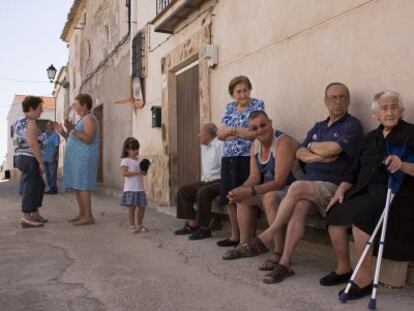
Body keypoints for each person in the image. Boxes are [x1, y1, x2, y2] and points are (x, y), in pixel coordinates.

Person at [246, 82, 363, 284]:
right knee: (299, 206)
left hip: (333, 187)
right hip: (310, 187)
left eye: (343, 97)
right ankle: (284, 263)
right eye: (333, 97)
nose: (338, 101)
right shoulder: (318, 127)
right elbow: (299, 152)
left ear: (349, 101)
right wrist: (318, 156)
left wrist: (314, 149)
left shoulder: (352, 125)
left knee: (296, 187)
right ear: (326, 101)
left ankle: (269, 235)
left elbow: (334, 149)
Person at [322, 90, 414, 300]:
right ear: (376, 114)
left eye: (393, 107)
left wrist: (403, 165)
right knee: (335, 213)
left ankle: (364, 278)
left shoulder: (410, 134)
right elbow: (354, 168)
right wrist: (342, 188)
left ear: (401, 111)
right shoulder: (369, 138)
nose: (389, 112)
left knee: (361, 216)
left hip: (396, 194)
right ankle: (344, 268)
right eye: (384, 108)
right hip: (363, 190)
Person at [222, 110, 301, 261]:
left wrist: (249, 190)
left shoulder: (283, 142)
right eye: (254, 128)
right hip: (274, 189)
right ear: (251, 131)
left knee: (270, 198)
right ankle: (245, 245)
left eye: (263, 125)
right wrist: (239, 190)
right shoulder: (255, 145)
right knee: (242, 198)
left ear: (270, 123)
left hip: (294, 190)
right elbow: (254, 177)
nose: (260, 130)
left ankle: (279, 252)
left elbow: (280, 181)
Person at [216, 75, 265, 247]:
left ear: (250, 90)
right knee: (231, 197)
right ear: (232, 94)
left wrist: (233, 130)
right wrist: (240, 131)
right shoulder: (229, 107)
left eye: (245, 90)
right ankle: (235, 236)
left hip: (248, 157)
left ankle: (248, 238)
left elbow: (255, 133)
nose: (243, 94)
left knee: (244, 196)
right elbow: (220, 135)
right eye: (238, 91)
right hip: (229, 158)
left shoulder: (258, 105)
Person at [54, 94, 99, 226]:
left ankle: (88, 216)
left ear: (85, 105)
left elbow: (88, 138)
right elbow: (73, 138)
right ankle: (82, 214)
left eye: (76, 105)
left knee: (83, 186)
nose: (74, 107)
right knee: (78, 186)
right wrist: (62, 132)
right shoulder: (82, 119)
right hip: (78, 159)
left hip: (85, 158)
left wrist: (73, 128)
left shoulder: (89, 118)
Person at [174, 123, 224, 240]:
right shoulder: (204, 147)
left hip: (220, 180)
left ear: (209, 133)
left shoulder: (219, 145)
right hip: (207, 181)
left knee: (203, 192)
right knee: (183, 191)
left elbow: (225, 167)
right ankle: (193, 225)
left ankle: (204, 229)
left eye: (201, 132)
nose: (198, 135)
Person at [13, 96, 48, 228]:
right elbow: (33, 144)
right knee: (31, 186)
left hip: (21, 157)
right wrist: (41, 163)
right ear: (32, 108)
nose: (42, 111)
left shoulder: (20, 121)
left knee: (38, 185)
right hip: (29, 157)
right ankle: (27, 217)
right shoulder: (30, 123)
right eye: (40, 108)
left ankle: (35, 213)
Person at [120, 137, 149, 233]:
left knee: (142, 207)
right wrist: (137, 172)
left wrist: (145, 167)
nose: (136, 151)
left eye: (137, 148)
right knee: (131, 208)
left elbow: (144, 173)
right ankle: (132, 226)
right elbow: (124, 173)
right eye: (134, 149)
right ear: (127, 150)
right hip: (130, 189)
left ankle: (140, 225)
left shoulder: (139, 161)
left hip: (140, 189)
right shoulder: (125, 160)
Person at [42, 120, 60, 194]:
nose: (49, 126)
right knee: (48, 174)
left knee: (53, 174)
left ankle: (53, 188)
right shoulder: (44, 135)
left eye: (51, 125)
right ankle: (51, 188)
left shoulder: (55, 135)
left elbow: (57, 147)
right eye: (48, 125)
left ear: (53, 126)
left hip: (52, 158)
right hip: (44, 158)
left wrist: (52, 156)